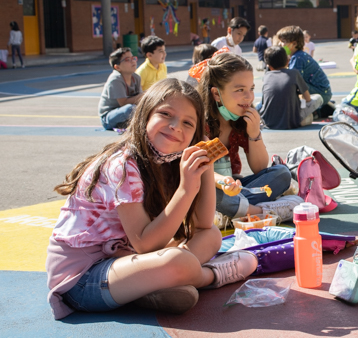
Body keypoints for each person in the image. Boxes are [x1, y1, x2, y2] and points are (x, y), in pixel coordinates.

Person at [47, 79, 259, 320]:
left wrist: (206, 167)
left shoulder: (168, 160)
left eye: (188, 123)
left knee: (210, 236)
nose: (175, 126)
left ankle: (153, 287)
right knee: (178, 261)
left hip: (125, 262)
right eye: (166, 114)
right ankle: (210, 276)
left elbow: (202, 225)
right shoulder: (123, 166)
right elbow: (146, 245)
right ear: (145, 114)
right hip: (82, 280)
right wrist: (186, 189)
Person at [198, 52, 302, 222]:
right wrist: (224, 181)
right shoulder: (199, 124)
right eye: (240, 90)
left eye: (251, 88)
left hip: (233, 190)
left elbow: (260, 168)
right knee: (210, 192)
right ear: (217, 94)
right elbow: (199, 174)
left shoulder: (240, 121)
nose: (249, 97)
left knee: (282, 173)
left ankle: (230, 212)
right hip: (207, 188)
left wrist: (254, 134)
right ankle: (258, 211)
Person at [259, 46, 323, 129]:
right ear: (287, 61)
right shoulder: (294, 73)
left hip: (268, 122)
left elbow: (264, 102)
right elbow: (308, 99)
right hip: (291, 121)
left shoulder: (266, 76)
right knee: (318, 98)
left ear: (268, 66)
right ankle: (307, 118)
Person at [277, 26, 332, 107]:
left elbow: (293, 82)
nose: (280, 44)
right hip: (323, 92)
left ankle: (311, 109)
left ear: (294, 44)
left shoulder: (297, 58)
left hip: (321, 93)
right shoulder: (298, 55)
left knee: (292, 84)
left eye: (283, 41)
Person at [99, 48, 143, 131]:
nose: (133, 61)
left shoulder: (136, 77)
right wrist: (143, 95)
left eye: (133, 58)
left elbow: (140, 99)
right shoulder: (115, 79)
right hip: (109, 117)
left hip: (127, 114)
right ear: (117, 67)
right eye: (127, 59)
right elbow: (123, 103)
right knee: (130, 109)